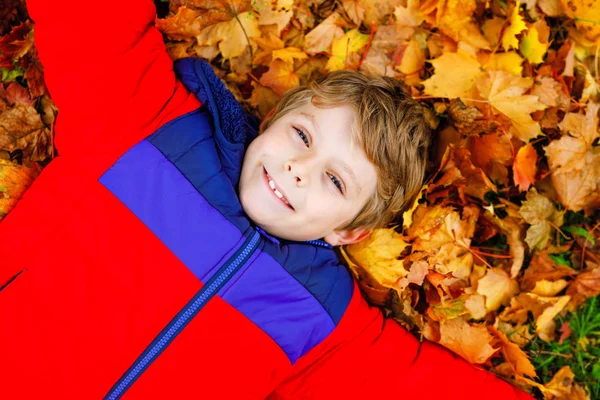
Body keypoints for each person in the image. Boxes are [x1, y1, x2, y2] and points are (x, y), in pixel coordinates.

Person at [0, 0, 534, 399]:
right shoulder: (150, 126)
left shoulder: (325, 321)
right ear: (272, 121)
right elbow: (96, 27)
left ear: (348, 232)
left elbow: (416, 389)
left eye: (336, 182)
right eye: (302, 137)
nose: (299, 170)